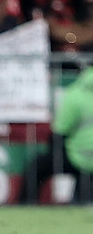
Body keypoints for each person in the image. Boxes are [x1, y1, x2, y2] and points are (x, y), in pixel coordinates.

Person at [19, 66, 93, 204]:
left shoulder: (76, 94)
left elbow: (59, 133)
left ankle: (25, 206)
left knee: (37, 167)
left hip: (77, 156)